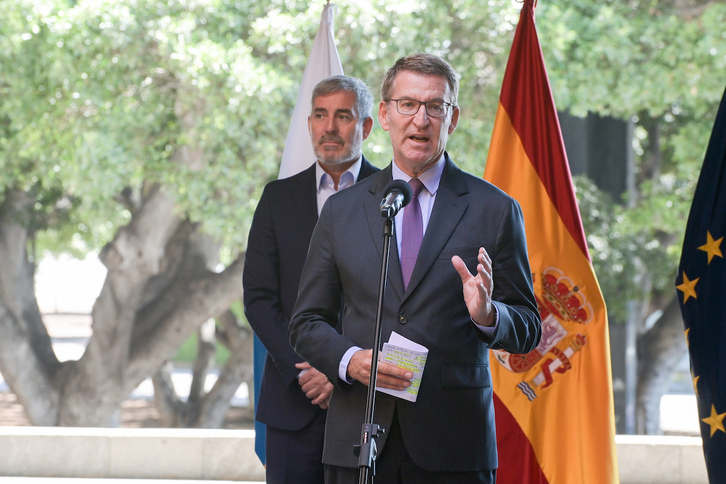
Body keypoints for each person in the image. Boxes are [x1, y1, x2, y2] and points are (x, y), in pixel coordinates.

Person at [289, 54, 542, 484]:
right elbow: (306, 323)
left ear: (453, 118)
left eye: (435, 107)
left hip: (454, 445)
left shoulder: (494, 209)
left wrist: (489, 315)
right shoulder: (342, 211)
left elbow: (529, 327)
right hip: (359, 441)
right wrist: (351, 361)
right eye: (407, 105)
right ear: (385, 115)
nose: (420, 120)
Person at [243, 75, 380, 484]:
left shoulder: (393, 195)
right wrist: (308, 369)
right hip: (294, 398)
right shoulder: (277, 199)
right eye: (320, 115)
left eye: (343, 116)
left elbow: (397, 302)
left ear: (367, 127)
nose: (330, 127)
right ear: (309, 124)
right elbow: (259, 299)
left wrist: (343, 368)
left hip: (366, 404)